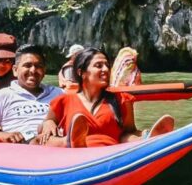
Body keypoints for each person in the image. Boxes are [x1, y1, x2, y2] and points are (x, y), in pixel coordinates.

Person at [37, 48, 175, 147]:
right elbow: (48, 121)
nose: (106, 70)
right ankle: (71, 141)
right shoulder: (64, 101)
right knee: (45, 138)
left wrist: (142, 135)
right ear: (81, 72)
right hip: (74, 153)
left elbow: (128, 132)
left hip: (108, 152)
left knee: (129, 136)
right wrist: (49, 122)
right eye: (98, 66)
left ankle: (148, 139)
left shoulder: (122, 99)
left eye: (107, 66)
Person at [0, 45, 63, 144]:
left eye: (39, 66)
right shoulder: (2, 96)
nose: (33, 70)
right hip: (22, 146)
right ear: (15, 70)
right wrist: (2, 136)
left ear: (44, 71)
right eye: (27, 65)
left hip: (55, 142)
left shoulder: (59, 93)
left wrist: (50, 121)